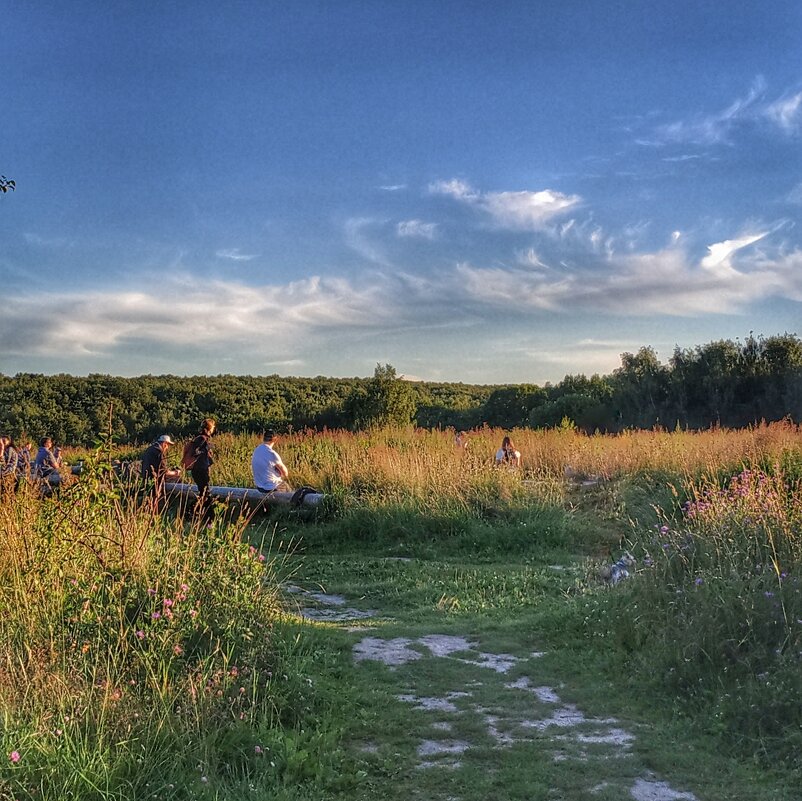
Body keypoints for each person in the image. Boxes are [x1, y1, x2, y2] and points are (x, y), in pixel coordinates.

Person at [140, 434, 178, 513]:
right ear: (164, 444)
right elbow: (164, 471)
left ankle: (146, 513)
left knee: (148, 499)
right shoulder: (159, 452)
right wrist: (175, 473)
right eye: (167, 445)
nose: (167, 448)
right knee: (156, 501)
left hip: (146, 478)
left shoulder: (149, 450)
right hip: (156, 481)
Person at [189, 419, 216, 525]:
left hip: (199, 470)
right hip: (200, 470)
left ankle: (195, 515)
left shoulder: (202, 438)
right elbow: (195, 452)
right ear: (210, 428)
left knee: (203, 494)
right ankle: (209, 520)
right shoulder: (201, 439)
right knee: (206, 494)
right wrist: (206, 449)